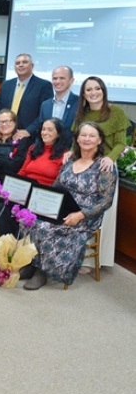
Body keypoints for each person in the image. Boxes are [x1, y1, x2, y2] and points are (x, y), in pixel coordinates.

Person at [25, 122, 117, 290]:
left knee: (46, 227)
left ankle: (42, 271)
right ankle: (32, 262)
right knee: (30, 219)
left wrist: (80, 215)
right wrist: (42, 203)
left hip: (86, 214)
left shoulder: (104, 166)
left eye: (92, 136)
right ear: (77, 138)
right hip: (62, 206)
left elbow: (105, 201)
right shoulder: (70, 160)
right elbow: (56, 185)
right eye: (83, 135)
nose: (87, 139)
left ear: (99, 140)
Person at [71, 76, 130, 268]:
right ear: (84, 94)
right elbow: (75, 142)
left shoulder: (116, 112)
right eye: (89, 90)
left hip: (104, 168)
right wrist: (69, 155)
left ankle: (95, 261)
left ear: (103, 90)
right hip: (83, 166)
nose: (93, 93)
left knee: (102, 214)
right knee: (79, 209)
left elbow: (122, 142)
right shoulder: (82, 114)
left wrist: (110, 158)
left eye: (97, 88)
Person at [0, 54, 52, 139]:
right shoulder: (6, 85)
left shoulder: (43, 86)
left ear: (32, 66)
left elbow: (44, 114)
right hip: (4, 136)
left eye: (25, 62)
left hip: (28, 137)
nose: (20, 65)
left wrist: (29, 131)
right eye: (17, 63)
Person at [25, 66, 79, 137]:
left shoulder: (79, 103)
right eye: (55, 78)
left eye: (62, 78)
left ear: (71, 81)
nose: (57, 81)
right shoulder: (45, 105)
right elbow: (40, 130)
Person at [18, 118, 71, 186]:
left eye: (50, 130)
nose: (45, 133)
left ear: (58, 134)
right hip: (26, 187)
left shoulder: (65, 155)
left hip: (46, 192)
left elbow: (60, 183)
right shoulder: (33, 148)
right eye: (43, 129)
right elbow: (22, 172)